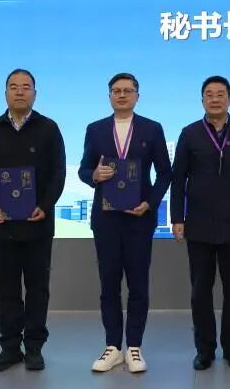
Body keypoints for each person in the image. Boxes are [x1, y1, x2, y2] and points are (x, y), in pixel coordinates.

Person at [0, 68, 66, 372]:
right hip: (1, 224)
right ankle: (10, 348)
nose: (20, 91)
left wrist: (45, 206)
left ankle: (34, 348)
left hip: (38, 224)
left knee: (38, 289)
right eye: (14, 86)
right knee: (8, 290)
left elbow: (58, 173)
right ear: (6, 93)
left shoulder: (49, 128)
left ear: (35, 93)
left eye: (26, 86)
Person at [78, 73, 171, 373]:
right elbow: (83, 169)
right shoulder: (95, 129)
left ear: (137, 96)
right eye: (116, 91)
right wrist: (94, 175)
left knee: (138, 283)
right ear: (109, 96)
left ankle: (134, 347)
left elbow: (165, 173)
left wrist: (150, 203)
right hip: (105, 219)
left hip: (138, 218)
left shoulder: (152, 129)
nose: (121, 95)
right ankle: (112, 347)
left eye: (127, 91)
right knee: (109, 283)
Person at [171, 75, 230, 370]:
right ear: (202, 100)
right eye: (209, 94)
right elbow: (178, 179)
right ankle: (204, 350)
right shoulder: (189, 134)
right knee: (200, 292)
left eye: (220, 94)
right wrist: (177, 217)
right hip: (198, 225)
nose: (215, 99)